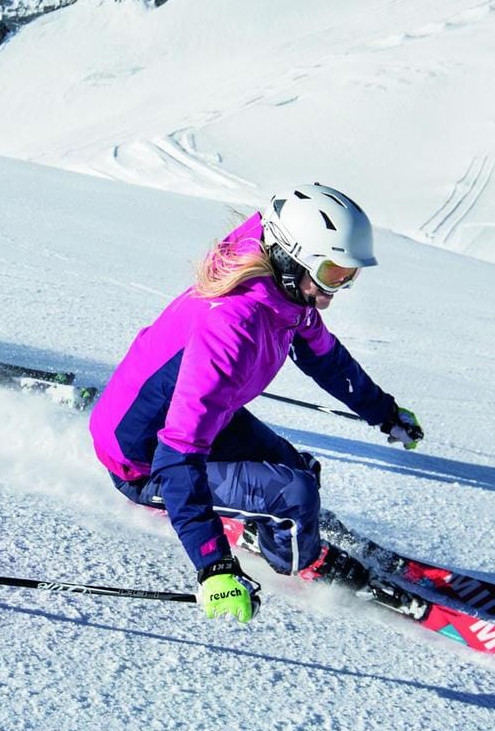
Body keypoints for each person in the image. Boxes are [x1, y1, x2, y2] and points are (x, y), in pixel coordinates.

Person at [88, 184, 424, 622]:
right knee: (294, 493)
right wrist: (215, 568)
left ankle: (285, 523)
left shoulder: (283, 296)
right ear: (290, 257)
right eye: (331, 274)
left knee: (298, 470)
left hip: (201, 423)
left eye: (347, 276)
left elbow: (325, 357)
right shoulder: (230, 327)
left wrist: (383, 412)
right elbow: (178, 455)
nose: (333, 293)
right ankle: (303, 561)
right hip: (142, 461)